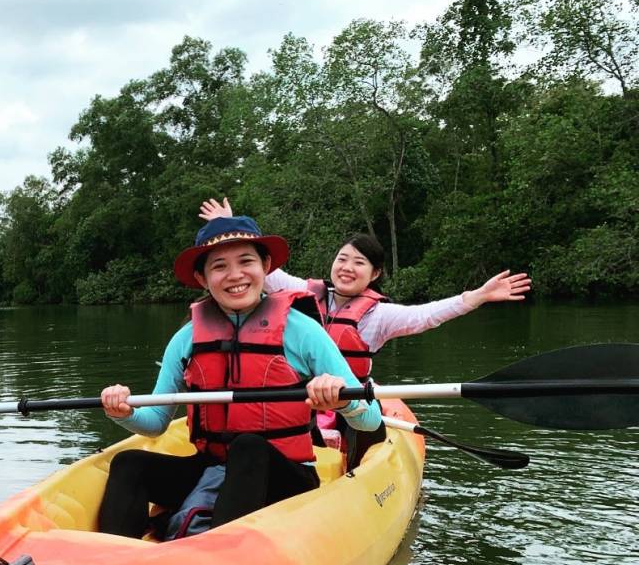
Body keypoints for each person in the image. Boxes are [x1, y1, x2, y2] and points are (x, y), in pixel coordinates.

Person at [98, 215, 384, 539]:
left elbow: (370, 420)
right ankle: (114, 559)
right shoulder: (186, 339)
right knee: (129, 463)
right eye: (219, 266)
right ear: (202, 277)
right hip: (212, 468)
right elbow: (156, 423)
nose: (235, 275)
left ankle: (217, 560)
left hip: (285, 479)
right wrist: (123, 412)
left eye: (246, 261)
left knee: (249, 448)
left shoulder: (304, 332)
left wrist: (342, 400)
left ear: (265, 266)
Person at [199, 197, 532, 466]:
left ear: (374, 274)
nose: (347, 268)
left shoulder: (379, 316)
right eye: (342, 259)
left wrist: (476, 297)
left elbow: (427, 316)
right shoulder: (303, 292)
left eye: (359, 263)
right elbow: (259, 270)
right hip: (298, 397)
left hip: (349, 404)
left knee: (355, 428)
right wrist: (225, 226)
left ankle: (352, 474)